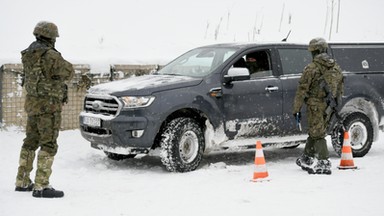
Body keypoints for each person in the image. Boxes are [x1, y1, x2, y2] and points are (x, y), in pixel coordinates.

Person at [15, 21, 74, 198]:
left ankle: (22, 181)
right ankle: (41, 185)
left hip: (32, 105)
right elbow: (68, 72)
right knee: (48, 143)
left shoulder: (28, 54)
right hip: (49, 107)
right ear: (51, 37)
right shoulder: (50, 55)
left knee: (30, 142)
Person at [292, 37, 344, 175]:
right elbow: (340, 88)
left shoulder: (311, 69)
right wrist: (336, 104)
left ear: (315, 52)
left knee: (318, 133)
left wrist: (296, 109)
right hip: (329, 105)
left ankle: (323, 162)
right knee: (316, 131)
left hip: (315, 105)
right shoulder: (336, 67)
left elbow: (301, 90)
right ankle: (307, 158)